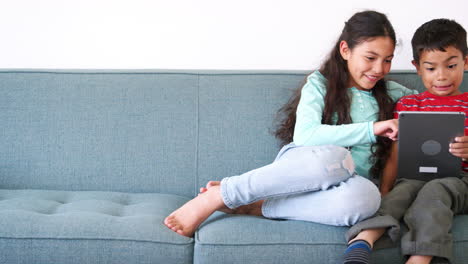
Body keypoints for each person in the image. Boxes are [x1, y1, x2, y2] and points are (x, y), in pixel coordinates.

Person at [164, 10, 416, 238]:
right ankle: (224, 194)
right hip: (310, 166)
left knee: (367, 198)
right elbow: (306, 136)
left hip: (342, 190)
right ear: (345, 50)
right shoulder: (320, 84)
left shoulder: (393, 93)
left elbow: (432, 104)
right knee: (335, 158)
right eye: (370, 57)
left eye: (387, 60)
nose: (379, 68)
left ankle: (258, 207)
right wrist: (373, 129)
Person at [343, 18, 468, 264]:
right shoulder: (409, 105)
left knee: (436, 189)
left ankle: (421, 257)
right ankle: (363, 240)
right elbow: (396, 151)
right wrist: (386, 189)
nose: (442, 76)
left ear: (465, 61)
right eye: (431, 68)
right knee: (401, 192)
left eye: (451, 66)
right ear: (417, 67)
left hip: (461, 182)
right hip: (415, 176)